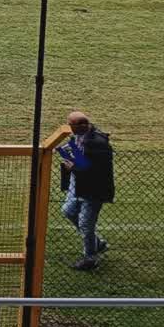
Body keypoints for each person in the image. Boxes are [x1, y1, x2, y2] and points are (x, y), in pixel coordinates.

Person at [58, 111, 116, 270]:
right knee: (68, 211)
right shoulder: (83, 136)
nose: (69, 128)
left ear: (80, 125)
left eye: (70, 125)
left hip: (92, 191)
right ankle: (98, 244)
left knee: (86, 224)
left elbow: (95, 170)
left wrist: (73, 166)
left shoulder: (97, 143)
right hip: (77, 186)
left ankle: (90, 258)